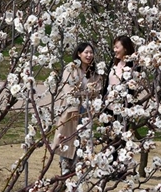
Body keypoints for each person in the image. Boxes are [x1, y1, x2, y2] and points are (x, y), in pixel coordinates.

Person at [52, 42, 102, 176]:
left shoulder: (94, 72)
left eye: (91, 52)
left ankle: (78, 167)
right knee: (67, 138)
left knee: (83, 139)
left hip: (87, 110)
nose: (89, 55)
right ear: (79, 54)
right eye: (86, 52)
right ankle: (65, 168)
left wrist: (88, 93)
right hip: (72, 109)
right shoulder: (71, 68)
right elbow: (68, 89)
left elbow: (97, 89)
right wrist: (82, 96)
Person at [101, 35, 137, 174]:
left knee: (120, 139)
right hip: (108, 107)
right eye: (114, 46)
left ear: (126, 48)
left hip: (122, 108)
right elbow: (107, 84)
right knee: (110, 139)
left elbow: (132, 88)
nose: (114, 50)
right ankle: (109, 168)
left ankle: (119, 170)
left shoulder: (133, 66)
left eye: (117, 47)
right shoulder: (114, 63)